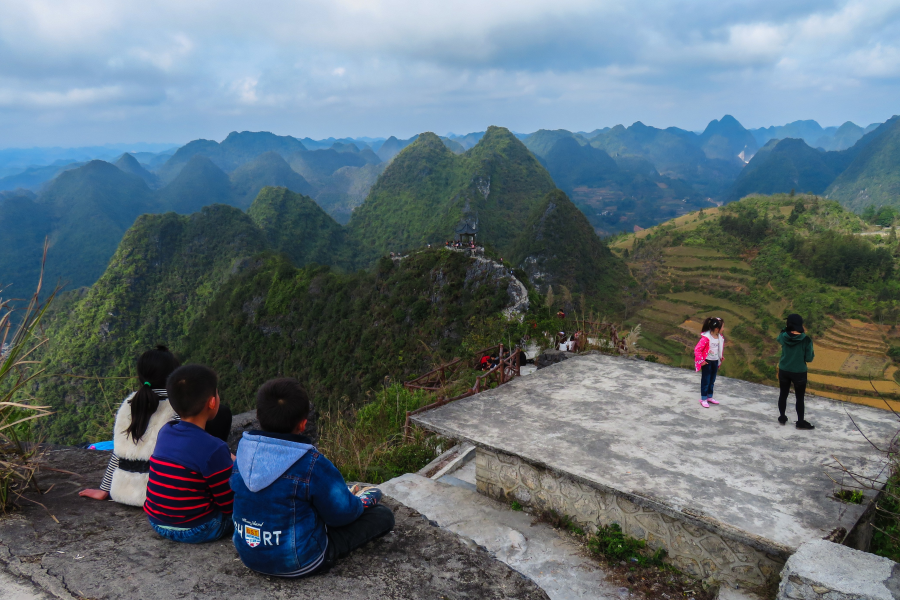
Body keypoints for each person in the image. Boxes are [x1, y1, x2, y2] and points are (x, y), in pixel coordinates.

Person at [231, 378, 394, 577]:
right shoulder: (311, 463)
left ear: (257, 415)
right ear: (303, 424)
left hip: (249, 555)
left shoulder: (242, 453)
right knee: (382, 516)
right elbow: (342, 515)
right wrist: (361, 504)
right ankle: (360, 500)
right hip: (299, 561)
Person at [79, 347, 233, 506]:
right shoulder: (176, 407)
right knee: (219, 413)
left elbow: (119, 451)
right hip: (157, 492)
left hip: (121, 491)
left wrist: (105, 489)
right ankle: (217, 471)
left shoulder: (130, 403)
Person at [144, 365, 234, 544]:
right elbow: (228, 504)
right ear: (212, 402)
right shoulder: (214, 447)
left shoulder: (165, 432)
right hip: (197, 528)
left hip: (157, 522)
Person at [776, 314, 815, 429]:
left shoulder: (783, 336)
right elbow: (809, 358)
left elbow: (779, 338)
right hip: (799, 372)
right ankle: (800, 422)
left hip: (784, 369)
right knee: (799, 397)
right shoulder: (806, 340)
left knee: (783, 394)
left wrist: (785, 329)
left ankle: (782, 417)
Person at [694, 317, 725, 408]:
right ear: (716, 329)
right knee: (706, 380)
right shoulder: (706, 338)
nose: (723, 329)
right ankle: (703, 398)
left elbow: (718, 349)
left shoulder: (719, 337)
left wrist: (720, 357)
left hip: (715, 361)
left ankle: (709, 397)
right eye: (722, 327)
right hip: (707, 362)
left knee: (712, 380)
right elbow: (697, 350)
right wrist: (701, 361)